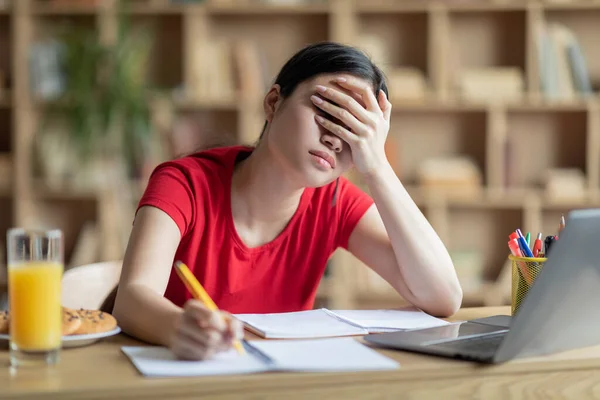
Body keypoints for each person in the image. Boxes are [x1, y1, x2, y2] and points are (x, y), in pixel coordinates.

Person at [112, 42, 463, 361]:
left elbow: (442, 297)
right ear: (273, 102)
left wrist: (377, 167)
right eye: (327, 111)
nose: (336, 140)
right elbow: (132, 298)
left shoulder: (335, 201)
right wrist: (178, 328)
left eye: (355, 130)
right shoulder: (184, 183)